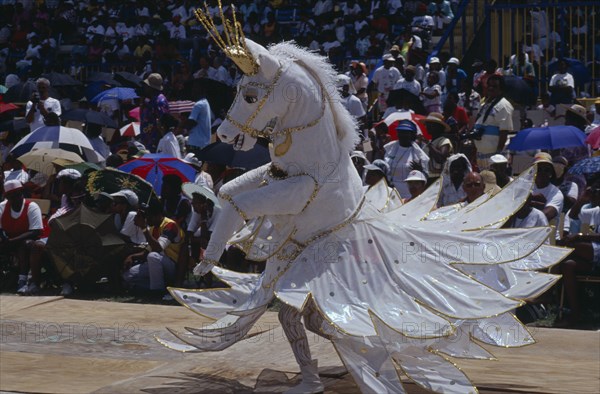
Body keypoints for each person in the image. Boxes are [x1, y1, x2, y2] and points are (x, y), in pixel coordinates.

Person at [556, 181, 600, 326]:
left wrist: (580, 236)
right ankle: (576, 312)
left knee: (569, 245)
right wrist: (583, 199)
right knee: (568, 265)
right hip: (592, 255)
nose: (595, 195)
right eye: (594, 192)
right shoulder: (596, 211)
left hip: (595, 252)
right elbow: (574, 215)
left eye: (597, 192)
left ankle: (548, 294)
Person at [122, 201, 184, 294]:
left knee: (152, 256)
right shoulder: (152, 228)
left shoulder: (170, 225)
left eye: (149, 217)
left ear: (158, 215)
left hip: (172, 265)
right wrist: (132, 257)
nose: (147, 220)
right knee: (128, 276)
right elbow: (147, 251)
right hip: (158, 264)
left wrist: (143, 228)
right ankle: (162, 287)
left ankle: (156, 291)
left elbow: (158, 248)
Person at [0, 180, 43, 295]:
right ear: (7, 197)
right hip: (8, 241)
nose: (14, 198)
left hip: (27, 241)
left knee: (25, 244)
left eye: (17, 194)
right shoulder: (2, 207)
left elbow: (35, 231)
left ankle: (23, 280)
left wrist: (12, 241)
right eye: (11, 196)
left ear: (21, 193)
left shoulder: (32, 206)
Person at [472, 74, 513, 168]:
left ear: (501, 89)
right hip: (481, 156)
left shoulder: (504, 105)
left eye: (494, 86)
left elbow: (504, 131)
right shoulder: (483, 105)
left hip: (495, 157)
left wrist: (497, 156)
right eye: (489, 85)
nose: (490, 88)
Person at [383, 119, 429, 199]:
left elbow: (425, 178)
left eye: (406, 133)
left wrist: (420, 171)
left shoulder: (419, 155)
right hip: (393, 192)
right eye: (400, 132)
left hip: (410, 193)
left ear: (412, 135)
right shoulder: (390, 150)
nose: (403, 135)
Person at [530, 152, 564, 225]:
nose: (542, 173)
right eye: (539, 169)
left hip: (547, 234)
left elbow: (545, 216)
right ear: (533, 171)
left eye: (546, 170)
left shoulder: (556, 193)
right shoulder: (525, 187)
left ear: (551, 173)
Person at [139, 73, 169, 151]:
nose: (144, 87)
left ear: (151, 87)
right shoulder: (148, 99)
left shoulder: (160, 101)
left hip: (156, 142)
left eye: (146, 85)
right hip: (146, 140)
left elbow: (163, 122)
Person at [419, 112, 453, 180]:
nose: (427, 127)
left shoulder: (444, 141)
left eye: (431, 125)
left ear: (439, 127)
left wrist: (429, 144)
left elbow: (441, 158)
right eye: (427, 124)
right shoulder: (429, 142)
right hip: (427, 178)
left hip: (439, 179)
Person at [185, 81, 212, 154]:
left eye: (195, 88)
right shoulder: (206, 103)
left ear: (201, 90)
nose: (193, 90)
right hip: (204, 143)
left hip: (195, 143)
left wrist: (183, 125)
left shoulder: (198, 105)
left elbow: (191, 122)